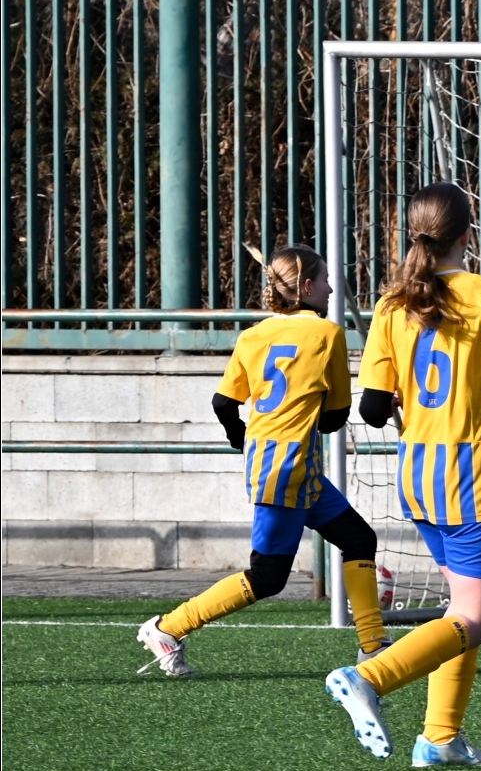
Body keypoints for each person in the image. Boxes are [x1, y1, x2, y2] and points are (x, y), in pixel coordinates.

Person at [323, 182, 481, 768]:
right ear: (467, 233)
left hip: (417, 472)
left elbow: (371, 408)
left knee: (460, 608)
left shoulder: (393, 304)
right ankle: (369, 678)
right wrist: (478, 414)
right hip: (470, 470)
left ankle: (440, 739)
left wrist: (408, 405)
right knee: (476, 618)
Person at [136, 247, 390, 677]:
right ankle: (168, 627)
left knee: (359, 539)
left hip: (289, 468)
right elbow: (333, 420)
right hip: (287, 470)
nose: (331, 288)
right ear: (306, 287)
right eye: (325, 280)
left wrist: (242, 437)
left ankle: (374, 645)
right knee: (268, 577)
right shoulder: (327, 334)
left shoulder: (253, 336)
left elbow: (223, 403)